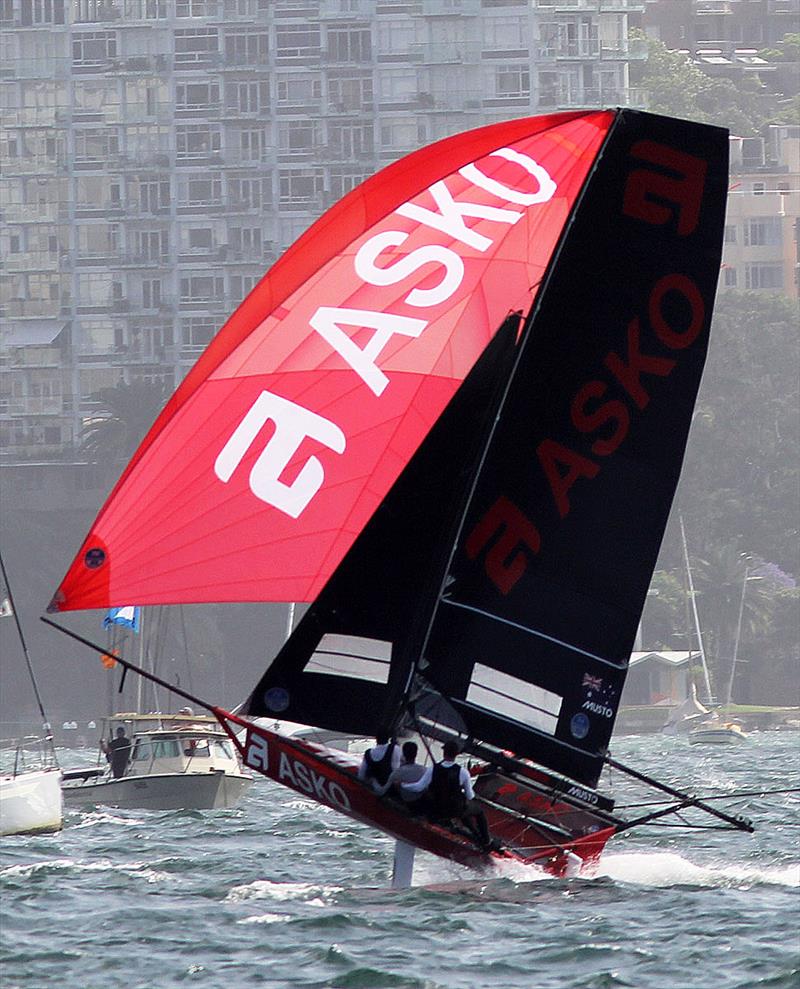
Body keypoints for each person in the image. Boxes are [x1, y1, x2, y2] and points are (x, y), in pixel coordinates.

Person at [402, 740, 498, 851]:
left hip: (436, 810)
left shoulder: (433, 769)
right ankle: (485, 841)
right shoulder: (462, 772)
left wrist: (403, 785)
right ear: (456, 754)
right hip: (454, 810)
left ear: (444, 753)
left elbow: (419, 787)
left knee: (463, 809)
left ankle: (475, 834)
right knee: (478, 811)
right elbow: (470, 796)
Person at [374, 741, 427, 808]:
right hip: (418, 804)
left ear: (403, 754)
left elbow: (381, 792)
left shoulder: (398, 773)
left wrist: (373, 781)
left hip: (404, 804)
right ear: (416, 754)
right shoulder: (424, 770)